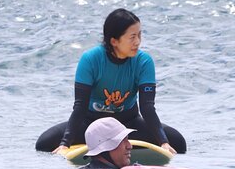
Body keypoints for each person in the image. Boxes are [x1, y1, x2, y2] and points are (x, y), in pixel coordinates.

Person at [35, 8, 187, 154]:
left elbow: (147, 107)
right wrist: (64, 144)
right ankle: (112, 147)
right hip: (92, 125)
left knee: (178, 143)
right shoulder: (91, 59)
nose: (138, 42)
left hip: (128, 125)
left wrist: (163, 142)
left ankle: (121, 146)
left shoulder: (143, 62)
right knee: (44, 143)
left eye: (139, 35)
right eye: (132, 37)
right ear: (114, 41)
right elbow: (80, 106)